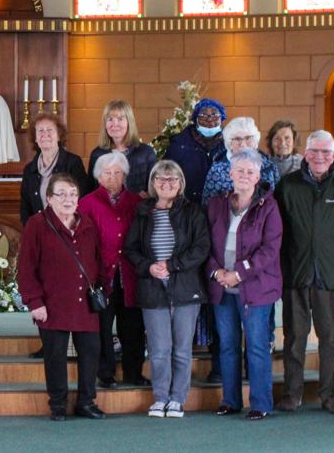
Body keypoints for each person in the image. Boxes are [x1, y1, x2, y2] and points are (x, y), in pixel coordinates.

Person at [273, 130, 334, 414]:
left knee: (330, 339)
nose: (320, 157)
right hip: (296, 277)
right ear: (306, 153)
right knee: (294, 338)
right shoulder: (287, 186)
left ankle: (331, 395)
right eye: (314, 151)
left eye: (326, 152)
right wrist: (282, 275)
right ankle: (292, 393)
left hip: (331, 277)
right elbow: (276, 235)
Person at [17, 173, 109, 421]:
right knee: (55, 356)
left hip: (85, 306)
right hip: (52, 305)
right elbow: (25, 269)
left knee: (90, 353)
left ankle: (86, 402)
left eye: (73, 194)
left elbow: (99, 262)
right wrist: (35, 303)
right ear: (49, 198)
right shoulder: (37, 225)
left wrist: (103, 289)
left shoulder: (88, 224)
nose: (68, 199)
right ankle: (58, 404)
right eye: (62, 194)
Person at [123, 160, 210, 419]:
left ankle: (177, 399)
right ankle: (160, 397)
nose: (166, 184)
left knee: (182, 349)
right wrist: (148, 267)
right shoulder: (142, 212)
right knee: (159, 350)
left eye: (172, 179)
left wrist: (172, 265)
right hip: (152, 287)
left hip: (185, 288)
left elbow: (201, 247)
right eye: (160, 179)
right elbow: (130, 249)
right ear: (153, 184)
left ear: (181, 183)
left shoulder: (192, 212)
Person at [206, 149, 283, 421]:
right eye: (239, 170)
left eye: (250, 172)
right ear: (230, 174)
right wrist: (217, 273)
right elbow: (205, 245)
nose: (244, 176)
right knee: (227, 346)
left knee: (257, 346)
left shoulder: (269, 206)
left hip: (256, 288)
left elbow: (269, 250)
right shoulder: (216, 204)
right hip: (222, 287)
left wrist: (238, 273)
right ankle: (230, 401)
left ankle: (261, 403)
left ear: (258, 176)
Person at [77, 151, 146, 389]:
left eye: (118, 172)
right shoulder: (86, 203)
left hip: (131, 274)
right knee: (102, 327)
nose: (113, 177)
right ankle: (105, 372)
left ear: (125, 174)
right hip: (101, 275)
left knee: (133, 327)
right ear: (98, 176)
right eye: (107, 172)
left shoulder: (138, 203)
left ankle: (134, 372)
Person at [21, 113, 92, 225]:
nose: (45, 134)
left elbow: (82, 199)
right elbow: (25, 207)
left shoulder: (73, 163)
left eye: (50, 130)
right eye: (40, 130)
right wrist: (32, 231)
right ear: (35, 138)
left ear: (59, 136)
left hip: (67, 231)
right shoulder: (29, 170)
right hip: (39, 232)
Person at [202, 116, 279, 205]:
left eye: (248, 138)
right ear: (229, 144)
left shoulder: (269, 168)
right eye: (237, 139)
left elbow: (275, 203)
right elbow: (207, 205)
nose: (243, 144)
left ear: (255, 142)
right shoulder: (217, 169)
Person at [163, 98, 226, 205]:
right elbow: (165, 174)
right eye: (203, 115)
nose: (210, 119)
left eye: (215, 115)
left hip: (221, 209)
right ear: (195, 119)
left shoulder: (231, 144)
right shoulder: (179, 144)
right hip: (186, 208)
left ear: (222, 119)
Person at [87, 100, 157, 197]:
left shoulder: (146, 153)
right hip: (106, 210)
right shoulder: (97, 154)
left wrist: (146, 197)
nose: (114, 124)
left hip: (138, 210)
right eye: (110, 119)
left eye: (120, 119)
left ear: (129, 123)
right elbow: (91, 190)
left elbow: (155, 189)